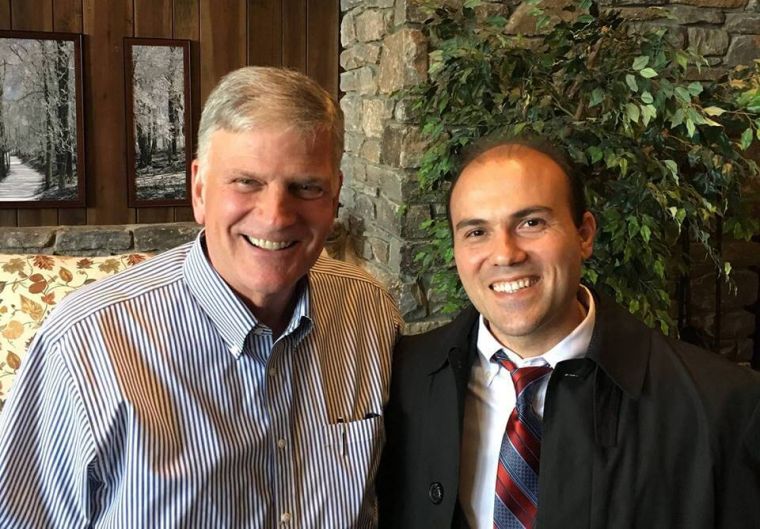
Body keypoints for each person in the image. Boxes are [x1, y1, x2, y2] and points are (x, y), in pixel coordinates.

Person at [0, 67, 402, 528]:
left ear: (334, 198)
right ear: (198, 190)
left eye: (306, 186)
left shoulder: (370, 312)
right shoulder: (87, 343)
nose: (275, 216)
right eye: (247, 181)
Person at [377, 136, 760, 529]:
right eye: (477, 232)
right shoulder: (400, 378)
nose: (506, 254)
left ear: (585, 235)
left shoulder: (721, 408)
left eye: (531, 223)